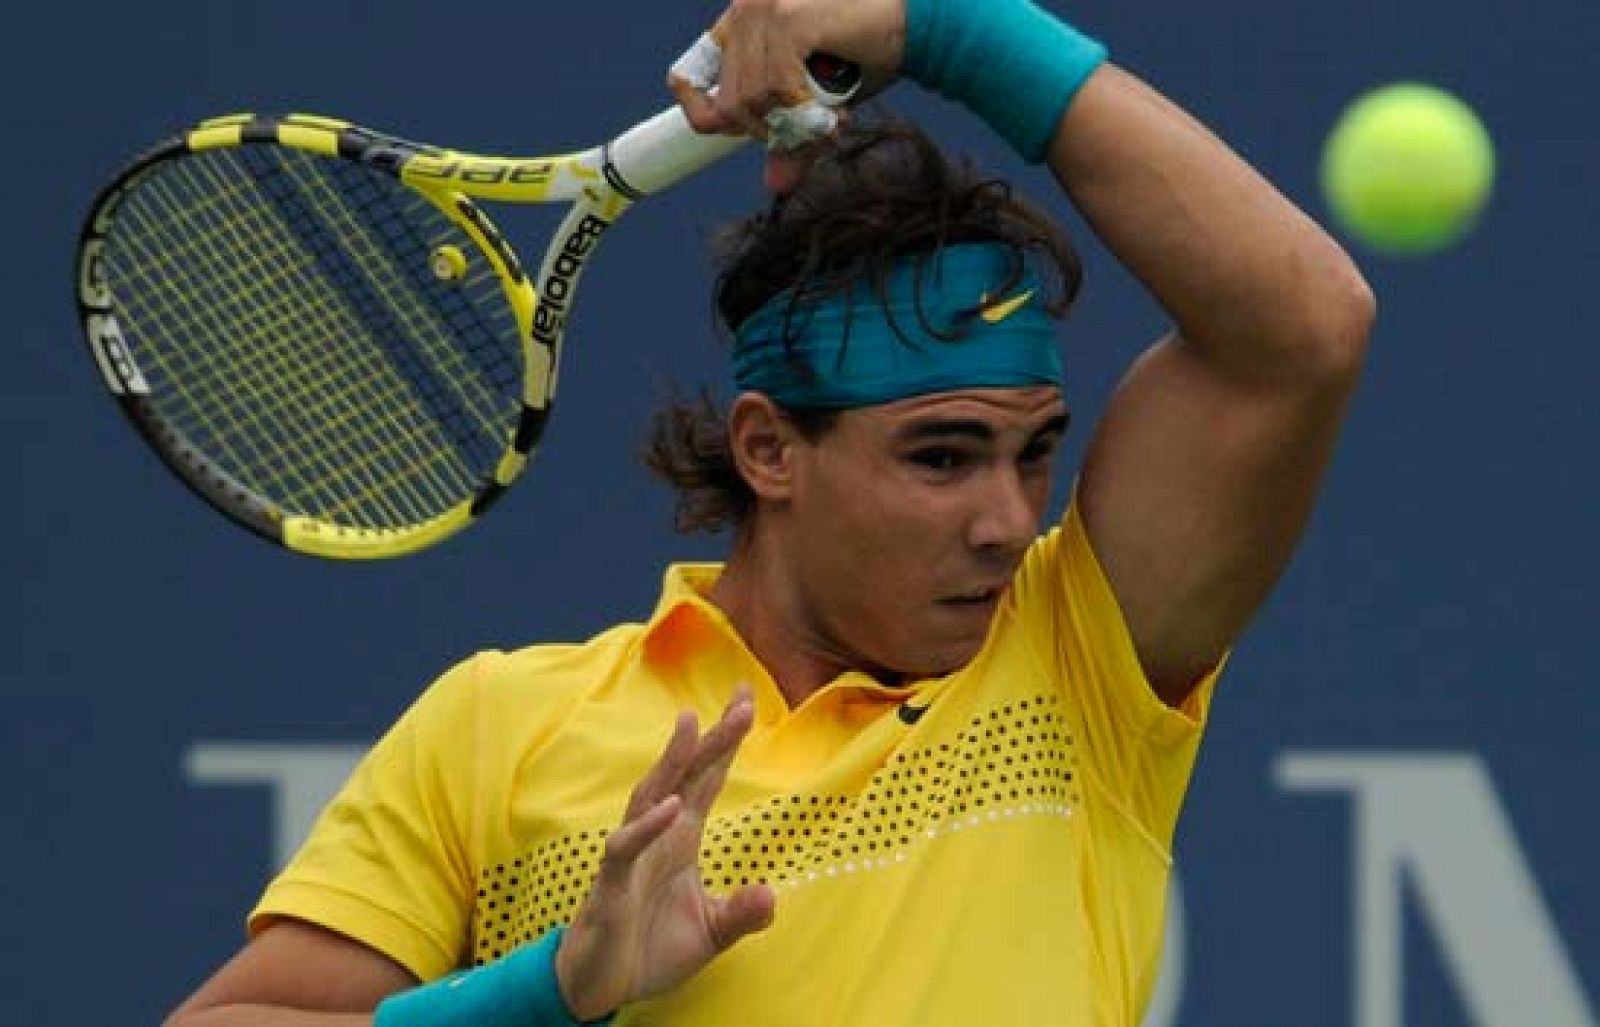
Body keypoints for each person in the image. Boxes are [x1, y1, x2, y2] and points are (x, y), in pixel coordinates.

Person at [165, 0, 1374, 1023]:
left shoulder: (1078, 661)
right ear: (769, 448)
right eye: (942, 458)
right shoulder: (498, 725)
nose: (1007, 521)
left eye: (1032, 454)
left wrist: (939, 25)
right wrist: (547, 991)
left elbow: (1303, 329)